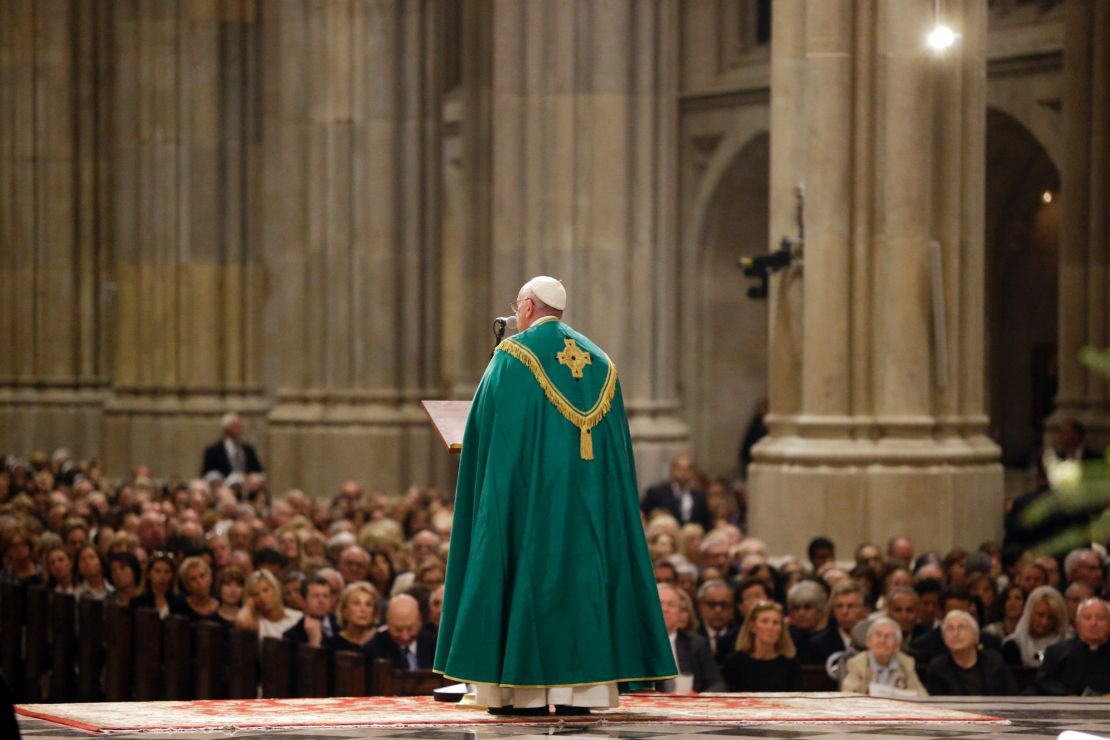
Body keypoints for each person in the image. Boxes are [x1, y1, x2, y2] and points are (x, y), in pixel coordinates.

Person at [435, 276, 675, 716]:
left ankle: (518, 692)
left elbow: (487, 428)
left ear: (527, 307)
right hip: (587, 515)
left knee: (526, 576)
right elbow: (615, 454)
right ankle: (580, 694)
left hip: (528, 508)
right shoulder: (602, 362)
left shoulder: (512, 356)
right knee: (581, 582)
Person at [926, 610, 1017, 696]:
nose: (955, 633)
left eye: (961, 627)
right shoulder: (938, 667)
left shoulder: (994, 662)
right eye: (950, 628)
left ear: (976, 635)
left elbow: (1012, 697)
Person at [1035, 597, 1110, 695]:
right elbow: (1044, 682)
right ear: (1077, 623)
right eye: (1087, 617)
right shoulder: (1056, 652)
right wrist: (1069, 695)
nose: (1093, 623)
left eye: (1100, 618)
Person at [658, 583, 725, 692]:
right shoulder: (637, 645)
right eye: (659, 603)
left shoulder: (696, 643)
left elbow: (717, 684)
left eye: (671, 605)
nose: (665, 609)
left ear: (680, 613)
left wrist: (697, 698)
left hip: (688, 704)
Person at [721, 601, 800, 692]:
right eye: (765, 621)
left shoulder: (790, 663)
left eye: (776, 623)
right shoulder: (734, 662)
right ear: (752, 626)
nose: (770, 627)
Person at [841, 617, 927, 697]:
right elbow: (848, 695)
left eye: (888, 636)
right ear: (868, 641)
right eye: (878, 635)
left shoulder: (906, 663)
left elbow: (922, 696)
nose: (882, 640)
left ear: (897, 645)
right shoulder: (857, 663)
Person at [1002, 585, 1069, 667]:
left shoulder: (1067, 646)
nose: (1045, 622)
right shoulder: (1012, 645)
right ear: (1029, 613)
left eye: (1051, 617)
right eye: (1040, 615)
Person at [641, 456, 712, 531]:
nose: (683, 472)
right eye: (680, 468)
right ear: (672, 471)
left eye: (688, 469)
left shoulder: (699, 496)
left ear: (693, 473)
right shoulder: (656, 492)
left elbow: (705, 523)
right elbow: (643, 514)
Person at [367, 593, 436, 669]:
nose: (405, 637)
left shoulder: (436, 646)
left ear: (420, 621)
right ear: (388, 623)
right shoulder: (373, 650)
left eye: (410, 629)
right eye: (398, 630)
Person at [236, 569, 301, 640]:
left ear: (276, 589)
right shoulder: (256, 622)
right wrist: (248, 605)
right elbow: (242, 622)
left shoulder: (297, 616)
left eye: (265, 590)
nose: (262, 597)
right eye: (256, 594)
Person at [201, 412, 265, 478]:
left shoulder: (248, 449)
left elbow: (259, 471)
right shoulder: (213, 451)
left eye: (240, 426)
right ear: (227, 427)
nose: (240, 429)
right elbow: (207, 475)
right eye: (236, 426)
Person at [323, 581, 380, 653]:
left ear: (374, 612)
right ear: (344, 610)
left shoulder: (383, 644)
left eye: (368, 604)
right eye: (356, 603)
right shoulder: (331, 645)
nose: (363, 609)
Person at [284, 576, 339, 646]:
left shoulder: (342, 625)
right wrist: (314, 641)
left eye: (326, 596)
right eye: (315, 596)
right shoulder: (291, 636)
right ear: (303, 601)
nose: (322, 601)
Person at [133, 552, 186, 618]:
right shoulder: (138, 602)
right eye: (157, 571)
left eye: (167, 572)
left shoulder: (181, 602)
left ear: (172, 576)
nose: (162, 576)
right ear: (148, 574)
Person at [178, 557, 221, 623]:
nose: (199, 582)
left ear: (210, 578)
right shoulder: (179, 608)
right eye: (193, 579)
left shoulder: (222, 606)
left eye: (202, 576)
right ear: (186, 585)